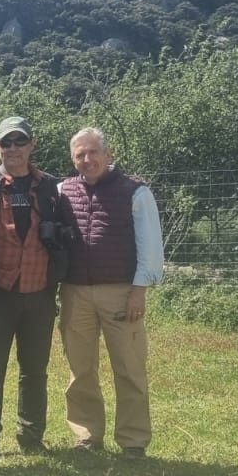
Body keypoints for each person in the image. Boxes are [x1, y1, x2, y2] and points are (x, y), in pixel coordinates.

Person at [0, 116, 73, 462]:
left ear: (32, 145)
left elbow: (65, 233)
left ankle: (32, 435)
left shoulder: (52, 187)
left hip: (39, 292)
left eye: (20, 142)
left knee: (34, 369)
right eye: (7, 143)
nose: (14, 149)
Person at [59, 127, 165, 457]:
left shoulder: (135, 192)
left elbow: (150, 246)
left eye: (93, 152)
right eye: (80, 154)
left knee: (130, 368)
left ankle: (133, 442)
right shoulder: (63, 190)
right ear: (73, 158)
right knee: (80, 370)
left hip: (121, 292)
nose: (87, 160)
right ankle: (86, 437)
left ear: (108, 154)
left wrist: (139, 290)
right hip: (75, 292)